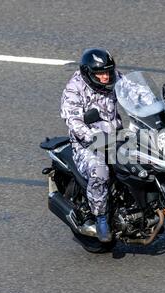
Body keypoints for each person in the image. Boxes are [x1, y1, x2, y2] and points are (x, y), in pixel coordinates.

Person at [60, 48, 122, 242]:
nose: (105, 77)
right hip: (87, 145)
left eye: (107, 72)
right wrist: (92, 136)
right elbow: (73, 121)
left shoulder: (114, 77)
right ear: (88, 73)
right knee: (100, 170)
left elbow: (134, 92)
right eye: (100, 74)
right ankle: (101, 217)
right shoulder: (74, 88)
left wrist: (156, 107)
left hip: (116, 137)